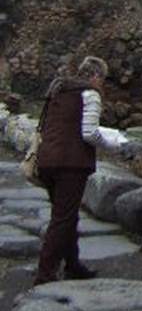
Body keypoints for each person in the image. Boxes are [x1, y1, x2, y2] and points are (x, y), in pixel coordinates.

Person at [34, 55, 127, 285]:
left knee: (66, 215)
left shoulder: (59, 90)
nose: (102, 84)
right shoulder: (90, 94)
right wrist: (112, 144)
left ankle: (73, 264)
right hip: (71, 164)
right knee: (62, 219)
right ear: (95, 76)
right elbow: (89, 133)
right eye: (102, 79)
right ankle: (45, 274)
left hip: (47, 160)